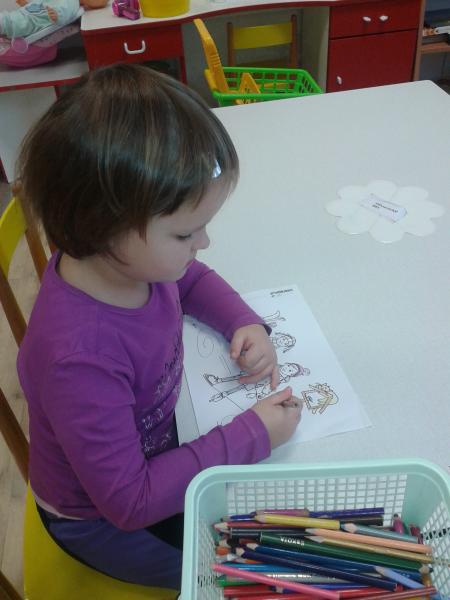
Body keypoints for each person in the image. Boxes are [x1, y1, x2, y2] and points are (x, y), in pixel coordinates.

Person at [16, 64, 302, 590]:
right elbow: (130, 502)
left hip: (158, 450)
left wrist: (243, 320)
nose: (203, 244)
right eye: (187, 233)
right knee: (254, 569)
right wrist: (253, 434)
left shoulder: (131, 264)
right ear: (103, 226)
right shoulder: (78, 359)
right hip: (102, 522)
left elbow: (190, 279)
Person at [0, 0, 106, 41]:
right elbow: (41, 5)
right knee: (8, 18)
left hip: (27, 22)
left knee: (7, 21)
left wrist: (57, 16)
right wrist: (27, 4)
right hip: (23, 16)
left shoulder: (73, 3)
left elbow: (64, 17)